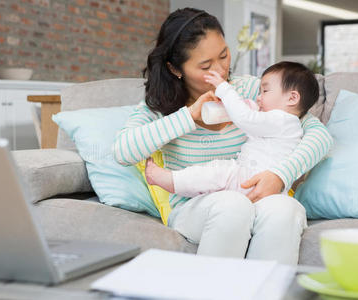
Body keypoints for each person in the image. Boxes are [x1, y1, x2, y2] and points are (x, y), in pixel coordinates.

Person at [113, 8, 333, 265]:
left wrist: (281, 175)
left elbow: (319, 136)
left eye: (224, 55)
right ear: (176, 69)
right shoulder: (160, 105)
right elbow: (123, 152)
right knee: (232, 205)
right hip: (195, 207)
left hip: (254, 197)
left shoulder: (250, 90)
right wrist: (189, 116)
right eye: (206, 66)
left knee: (286, 209)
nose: (221, 70)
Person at [144, 61, 320, 199]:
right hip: (254, 182)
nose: (258, 97)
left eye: (265, 91)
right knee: (213, 177)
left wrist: (224, 89)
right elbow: (251, 122)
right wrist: (241, 107)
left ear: (292, 98)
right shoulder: (280, 123)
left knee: (216, 171)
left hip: (250, 178)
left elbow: (246, 119)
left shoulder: (283, 120)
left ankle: (172, 180)